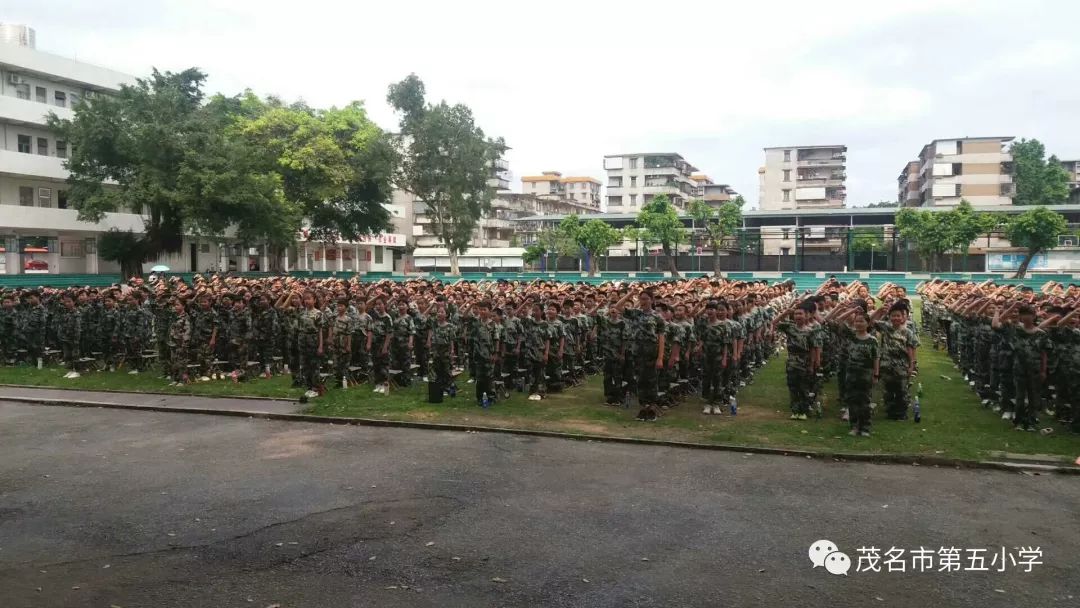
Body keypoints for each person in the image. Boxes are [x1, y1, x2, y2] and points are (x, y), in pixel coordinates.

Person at [993, 302, 1050, 432]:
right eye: (1023, 314)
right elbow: (997, 323)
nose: (1026, 317)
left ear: (1034, 316)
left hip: (1035, 369)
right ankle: (1018, 421)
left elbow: (1044, 353)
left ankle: (1030, 422)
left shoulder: (1041, 334)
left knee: (1033, 397)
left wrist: (1043, 370)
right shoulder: (1016, 329)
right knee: (1019, 397)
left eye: (1029, 314)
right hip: (1019, 368)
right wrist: (1012, 307)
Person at [773, 301, 821, 420]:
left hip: (804, 361)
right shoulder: (790, 327)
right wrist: (785, 312)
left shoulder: (810, 331)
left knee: (803, 387)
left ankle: (803, 411)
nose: (798, 316)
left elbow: (813, 349)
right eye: (796, 314)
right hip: (792, 361)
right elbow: (774, 322)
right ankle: (795, 410)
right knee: (792, 386)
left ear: (806, 316)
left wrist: (812, 364)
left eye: (800, 314)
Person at [872, 301, 918, 420]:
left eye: (898, 315)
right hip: (886, 364)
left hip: (902, 366)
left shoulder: (908, 332)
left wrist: (912, 365)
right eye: (893, 315)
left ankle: (901, 413)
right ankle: (890, 411)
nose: (895, 318)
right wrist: (879, 311)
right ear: (889, 316)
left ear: (903, 317)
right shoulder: (885, 327)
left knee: (901, 390)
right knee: (888, 389)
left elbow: (911, 349)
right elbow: (870, 322)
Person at [296, 289, 325, 398]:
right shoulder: (302, 312)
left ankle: (316, 388)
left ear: (314, 300)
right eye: (305, 299)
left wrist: (320, 346)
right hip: (302, 340)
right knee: (304, 366)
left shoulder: (318, 313)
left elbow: (320, 330)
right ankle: (308, 386)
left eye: (309, 299)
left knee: (314, 366)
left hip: (313, 341)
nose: (307, 301)